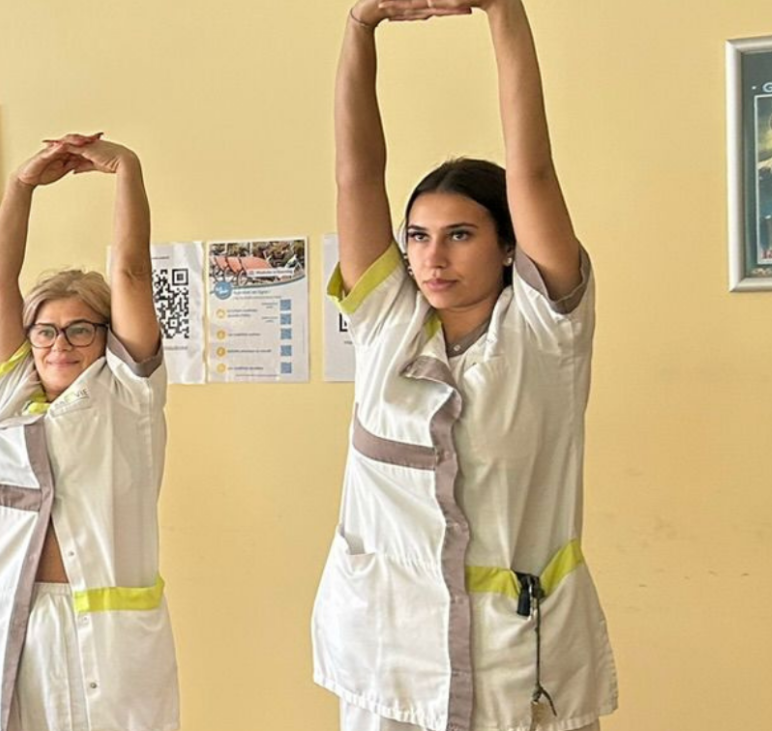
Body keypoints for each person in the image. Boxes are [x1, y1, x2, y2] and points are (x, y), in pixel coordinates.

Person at [324, 1, 617, 730]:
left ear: (508, 244)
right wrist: (360, 26)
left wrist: (501, 11)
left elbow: (533, 169)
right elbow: (357, 175)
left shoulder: (546, 331)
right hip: (388, 660)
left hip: (517, 661)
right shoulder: (386, 322)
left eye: (459, 234)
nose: (432, 257)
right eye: (418, 236)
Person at [0, 132, 175, 731]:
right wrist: (20, 185)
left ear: (107, 336)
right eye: (45, 331)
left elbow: (132, 272)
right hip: (2, 623)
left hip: (101, 637)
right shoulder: (9, 396)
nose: (59, 344)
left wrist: (127, 168)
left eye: (80, 329)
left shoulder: (128, 396)